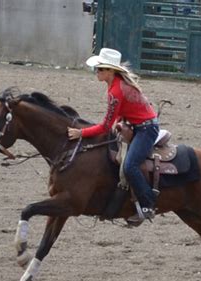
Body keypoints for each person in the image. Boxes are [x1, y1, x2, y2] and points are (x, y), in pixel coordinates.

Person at [67, 48, 159, 224]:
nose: (97, 72)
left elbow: (105, 126)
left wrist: (81, 132)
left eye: (100, 69)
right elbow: (117, 115)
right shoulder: (116, 84)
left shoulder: (116, 91)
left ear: (110, 71)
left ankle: (148, 204)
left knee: (130, 165)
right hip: (140, 126)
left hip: (146, 129)